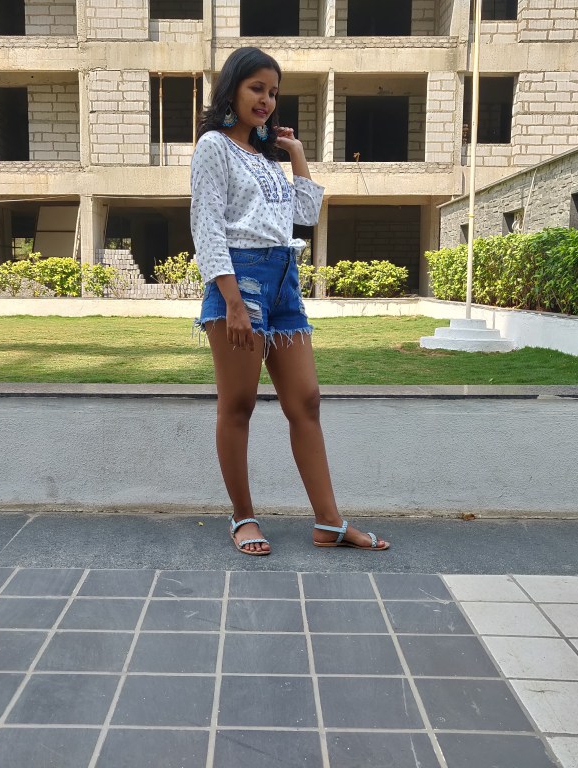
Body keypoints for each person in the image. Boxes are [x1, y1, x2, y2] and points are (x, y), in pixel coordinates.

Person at [190, 47, 390, 556]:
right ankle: (243, 517)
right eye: (257, 88)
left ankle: (328, 522)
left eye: (273, 92)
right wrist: (233, 303)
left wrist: (296, 154)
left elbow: (304, 216)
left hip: (284, 281)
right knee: (238, 405)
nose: (266, 100)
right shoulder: (214, 146)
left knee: (306, 401)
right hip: (241, 280)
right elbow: (207, 227)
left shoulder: (266, 157)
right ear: (233, 88)